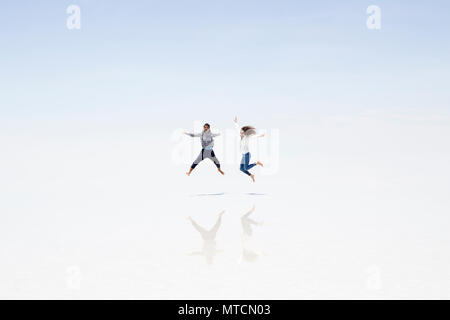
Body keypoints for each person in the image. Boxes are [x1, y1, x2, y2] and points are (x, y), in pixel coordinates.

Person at [234, 116, 264, 182]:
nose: (240, 133)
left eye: (242, 133)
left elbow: (253, 137)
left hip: (247, 154)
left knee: (246, 168)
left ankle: (257, 163)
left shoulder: (247, 137)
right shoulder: (240, 137)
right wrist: (236, 122)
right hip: (243, 155)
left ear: (244, 133)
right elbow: (237, 129)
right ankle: (251, 175)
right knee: (241, 168)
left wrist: (260, 135)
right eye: (240, 132)